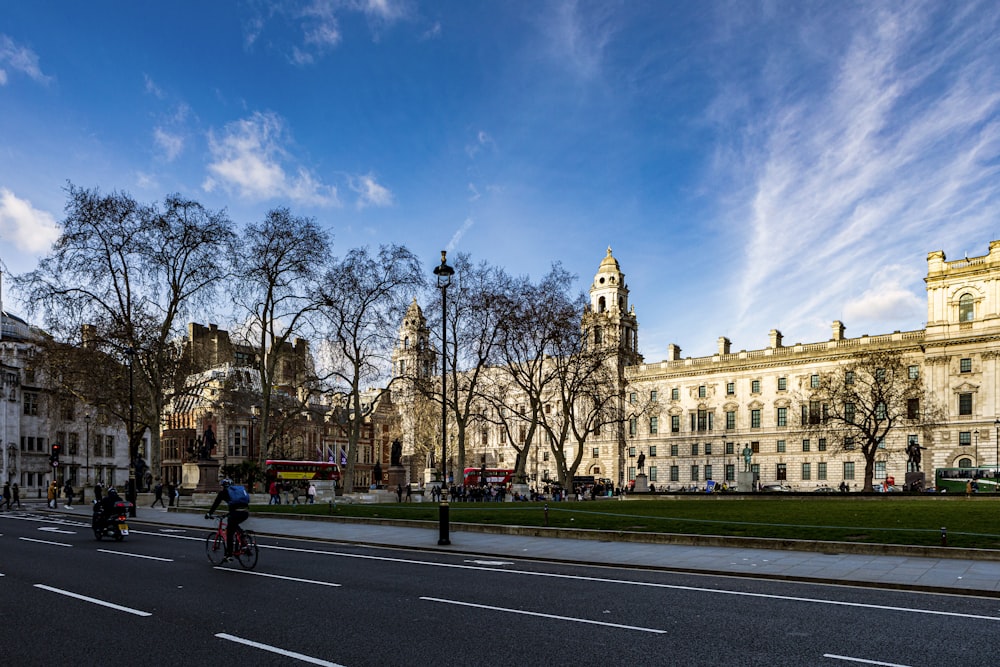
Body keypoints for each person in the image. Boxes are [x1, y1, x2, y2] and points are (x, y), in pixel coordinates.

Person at [205, 478, 250, 561]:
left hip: (235, 513)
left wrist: (209, 513)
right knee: (234, 525)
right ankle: (242, 539)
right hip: (245, 512)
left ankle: (228, 555)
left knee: (229, 532)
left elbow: (216, 504)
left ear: (223, 486)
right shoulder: (237, 491)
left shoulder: (223, 493)